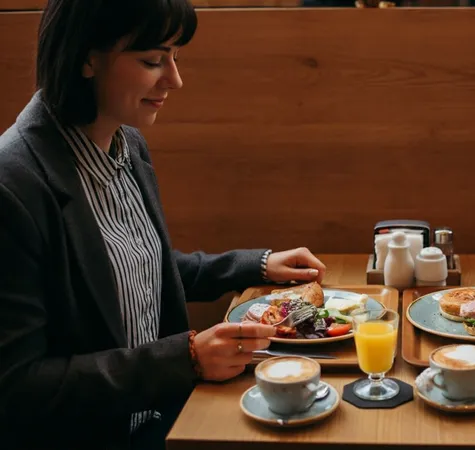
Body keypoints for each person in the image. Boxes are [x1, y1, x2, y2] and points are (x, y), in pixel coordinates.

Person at [0, 1, 326, 448]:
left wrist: (260, 265)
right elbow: (17, 385)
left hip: (165, 419)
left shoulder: (126, 143)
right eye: (153, 60)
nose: (174, 79)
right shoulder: (12, 187)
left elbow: (138, 266)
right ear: (87, 58)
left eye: (176, 57)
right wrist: (184, 359)